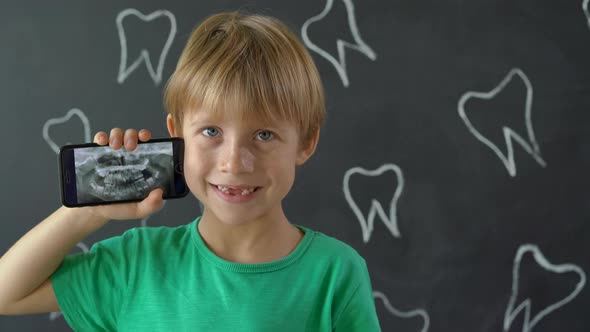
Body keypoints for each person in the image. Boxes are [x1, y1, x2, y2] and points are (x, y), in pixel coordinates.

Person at [0, 11, 381, 331]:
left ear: (306, 143)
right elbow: (6, 293)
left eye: (264, 134)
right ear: (177, 134)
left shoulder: (336, 274)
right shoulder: (137, 263)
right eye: (211, 131)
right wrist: (90, 211)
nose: (233, 162)